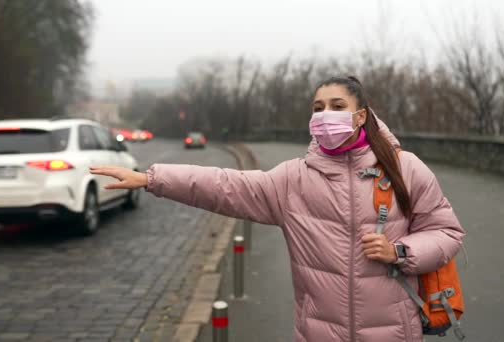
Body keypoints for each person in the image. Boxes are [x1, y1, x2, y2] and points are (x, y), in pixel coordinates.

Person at [90, 76, 465, 342]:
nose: (325, 115)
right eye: (318, 108)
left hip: (395, 333)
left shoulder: (405, 168)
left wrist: (401, 252)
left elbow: (447, 232)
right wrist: (152, 179)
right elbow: (223, 185)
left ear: (361, 115)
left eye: (337, 106)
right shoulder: (293, 180)